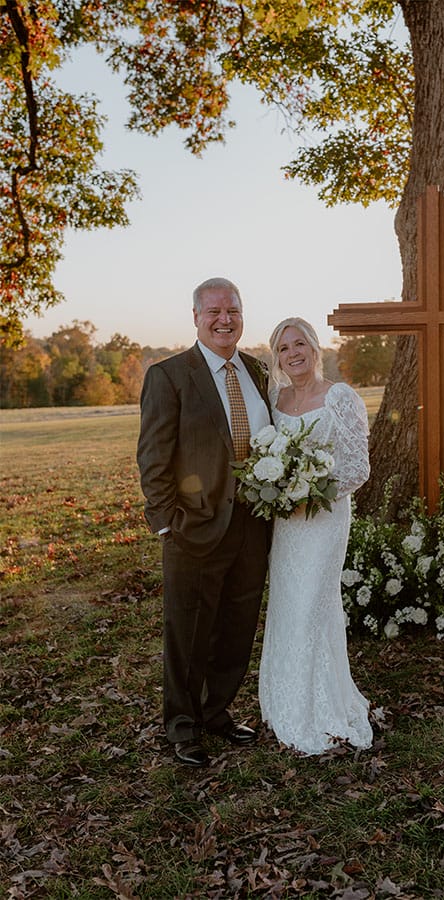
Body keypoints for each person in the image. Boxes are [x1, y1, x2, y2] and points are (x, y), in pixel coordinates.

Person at [137, 277, 271, 766]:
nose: (224, 320)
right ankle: (182, 725)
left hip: (252, 526)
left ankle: (217, 712)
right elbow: (153, 457)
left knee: (236, 627)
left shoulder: (258, 372)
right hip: (192, 526)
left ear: (241, 314)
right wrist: (167, 522)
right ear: (195, 317)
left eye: (232, 310)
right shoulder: (170, 375)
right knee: (188, 630)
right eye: (213, 311)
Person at [259, 317, 373, 756]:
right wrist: (285, 492)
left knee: (313, 604)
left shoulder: (340, 397)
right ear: (278, 358)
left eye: (300, 343)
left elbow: (358, 468)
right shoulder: (276, 398)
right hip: (287, 524)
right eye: (284, 348)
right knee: (288, 604)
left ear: (314, 347)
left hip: (324, 519)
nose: (294, 353)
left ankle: (323, 709)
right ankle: (285, 702)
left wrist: (311, 491)